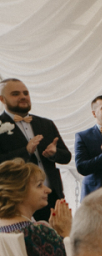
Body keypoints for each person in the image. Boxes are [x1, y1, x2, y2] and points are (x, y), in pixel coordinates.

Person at [0, 78, 72, 220]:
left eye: (25, 93)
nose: (23, 97)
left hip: (52, 197)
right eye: (15, 94)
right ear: (2, 99)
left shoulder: (46, 124)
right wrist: (25, 151)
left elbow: (66, 157)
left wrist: (54, 154)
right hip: (17, 202)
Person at [0, 159, 70, 256]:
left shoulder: (4, 229)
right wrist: (66, 234)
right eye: (39, 185)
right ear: (19, 192)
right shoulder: (37, 232)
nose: (48, 190)